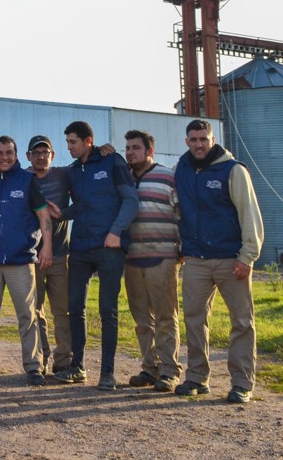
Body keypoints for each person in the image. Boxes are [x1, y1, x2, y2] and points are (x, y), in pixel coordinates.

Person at [174, 119, 263, 404]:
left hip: (230, 259)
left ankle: (241, 383)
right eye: (194, 139)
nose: (199, 144)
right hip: (196, 260)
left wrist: (247, 256)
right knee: (194, 320)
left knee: (241, 322)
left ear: (213, 140)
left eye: (204, 138)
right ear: (186, 141)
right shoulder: (182, 169)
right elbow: (177, 209)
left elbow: (249, 213)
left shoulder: (233, 170)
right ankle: (197, 377)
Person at [52, 121, 138, 392]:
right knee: (75, 307)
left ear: (88, 140)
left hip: (109, 247)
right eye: (67, 143)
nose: (69, 147)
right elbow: (81, 206)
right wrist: (61, 214)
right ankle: (77, 367)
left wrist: (116, 232)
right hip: (79, 248)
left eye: (73, 142)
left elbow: (130, 200)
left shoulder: (112, 161)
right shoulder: (74, 171)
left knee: (107, 310)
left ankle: (108, 373)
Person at [0, 136, 52, 386]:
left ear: (17, 154)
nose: (4, 157)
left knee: (27, 316)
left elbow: (43, 215)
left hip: (21, 260)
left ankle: (33, 366)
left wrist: (46, 247)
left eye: (8, 152)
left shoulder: (28, 180)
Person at [122, 129, 182, 393]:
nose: (130, 152)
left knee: (166, 317)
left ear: (150, 151)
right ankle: (150, 367)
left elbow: (182, 214)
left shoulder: (168, 176)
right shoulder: (123, 178)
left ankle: (170, 371)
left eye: (136, 147)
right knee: (141, 319)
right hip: (132, 258)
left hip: (163, 257)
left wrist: (180, 249)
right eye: (128, 148)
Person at [24, 135, 72, 375]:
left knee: (62, 310)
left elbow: (85, 200)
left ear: (53, 155)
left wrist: (64, 213)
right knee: (35, 311)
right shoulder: (23, 179)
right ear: (28, 156)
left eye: (46, 152)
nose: (41, 157)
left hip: (60, 255)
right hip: (31, 256)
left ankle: (64, 361)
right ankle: (40, 358)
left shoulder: (64, 175)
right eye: (36, 153)